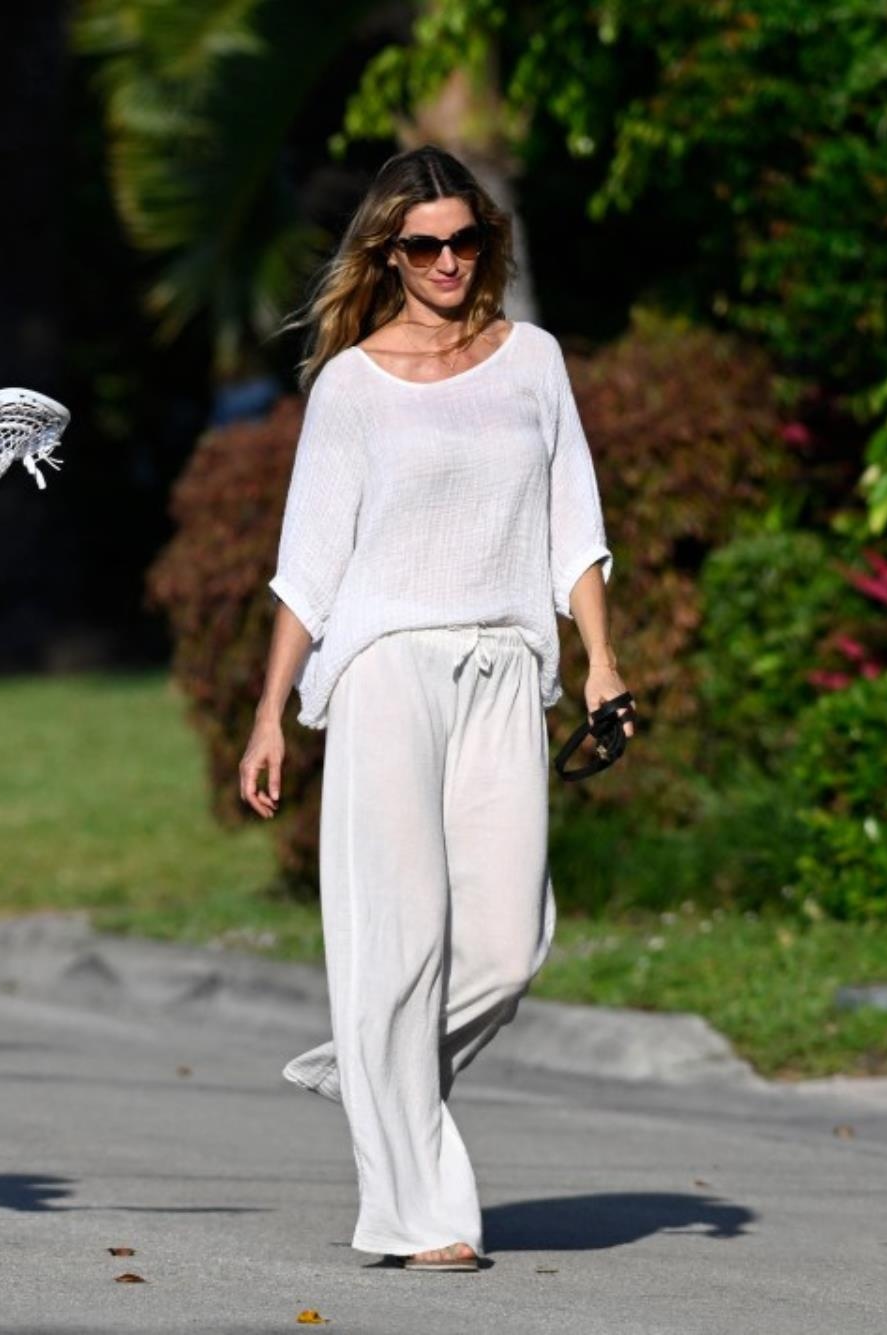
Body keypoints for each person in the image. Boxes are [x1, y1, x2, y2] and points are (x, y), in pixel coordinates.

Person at [237, 145, 633, 1272]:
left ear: (486, 245)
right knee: (396, 944)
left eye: (465, 240)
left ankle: (366, 1068)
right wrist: (272, 715)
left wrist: (599, 660)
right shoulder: (352, 385)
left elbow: (576, 527)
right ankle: (421, 1215)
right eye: (425, 245)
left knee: (508, 946)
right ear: (390, 253)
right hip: (384, 676)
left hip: (508, 667)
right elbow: (307, 569)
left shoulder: (534, 362)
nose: (448, 261)